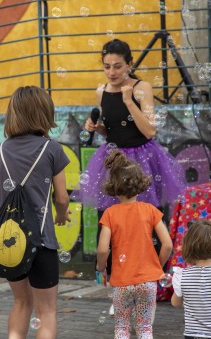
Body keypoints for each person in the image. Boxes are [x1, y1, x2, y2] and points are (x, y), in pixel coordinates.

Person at [73, 38, 186, 312]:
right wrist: (97, 128)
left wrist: (129, 101)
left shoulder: (141, 88)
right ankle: (119, 289)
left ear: (130, 64)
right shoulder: (101, 91)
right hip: (114, 160)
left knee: (145, 224)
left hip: (143, 160)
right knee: (112, 227)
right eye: (107, 67)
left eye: (118, 66)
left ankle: (147, 283)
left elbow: (149, 130)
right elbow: (112, 130)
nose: (112, 72)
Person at [0, 86, 71, 339]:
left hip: (9, 242)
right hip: (42, 241)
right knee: (46, 312)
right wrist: (61, 214)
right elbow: (61, 197)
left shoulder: (1, 149)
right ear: (44, 112)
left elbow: (3, 195)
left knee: (20, 303)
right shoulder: (52, 149)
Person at [96, 150, 173, 339]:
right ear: (140, 183)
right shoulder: (151, 210)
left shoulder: (110, 213)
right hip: (148, 281)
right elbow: (168, 245)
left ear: (113, 185)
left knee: (121, 328)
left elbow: (103, 249)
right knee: (145, 328)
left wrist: (101, 267)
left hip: (122, 282)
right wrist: (157, 266)